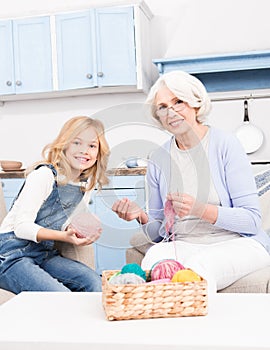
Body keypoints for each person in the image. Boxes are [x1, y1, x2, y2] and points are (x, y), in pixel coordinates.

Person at [112, 70, 270, 292]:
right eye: (163, 107)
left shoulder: (226, 145)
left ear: (196, 104)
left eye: (178, 102)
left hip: (237, 243)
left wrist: (199, 209)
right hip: (186, 244)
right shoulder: (158, 160)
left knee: (199, 266)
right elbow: (159, 233)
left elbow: (252, 220)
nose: (171, 112)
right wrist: (140, 216)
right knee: (153, 259)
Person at [0, 116, 110, 294]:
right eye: (77, 143)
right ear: (64, 145)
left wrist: (84, 229)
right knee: (60, 296)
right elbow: (21, 227)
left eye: (92, 146)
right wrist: (64, 236)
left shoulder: (84, 185)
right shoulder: (44, 175)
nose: (84, 151)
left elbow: (64, 222)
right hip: (11, 256)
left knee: (96, 283)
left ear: (98, 153)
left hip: (43, 253)